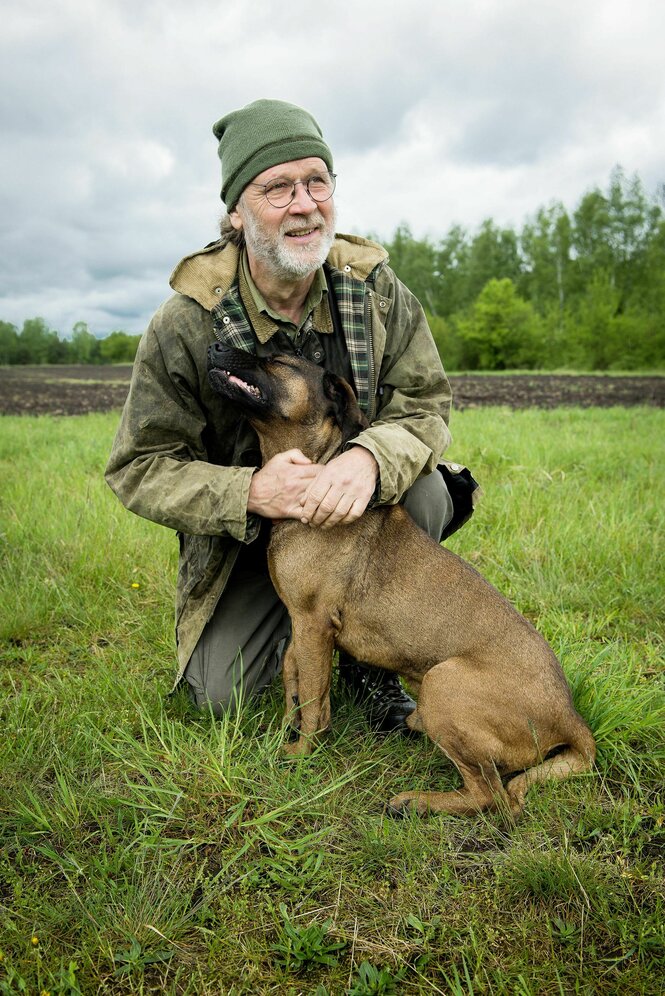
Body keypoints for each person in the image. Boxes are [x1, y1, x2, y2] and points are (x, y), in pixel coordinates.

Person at [105, 98, 471, 733]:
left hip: (362, 521)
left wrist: (368, 459)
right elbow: (138, 467)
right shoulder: (188, 324)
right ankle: (314, 636)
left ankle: (369, 653)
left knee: (429, 490)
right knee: (222, 696)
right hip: (245, 537)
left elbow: (427, 406)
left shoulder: (376, 293)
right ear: (236, 215)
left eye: (317, 181)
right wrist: (248, 490)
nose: (305, 204)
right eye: (277, 187)